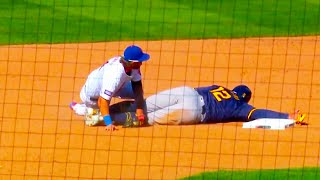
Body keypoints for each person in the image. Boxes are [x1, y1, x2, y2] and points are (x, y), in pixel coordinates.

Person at [105, 84, 307, 127]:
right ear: (245, 98)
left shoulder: (218, 86)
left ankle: (105, 110)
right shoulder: (240, 107)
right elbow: (259, 113)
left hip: (187, 92)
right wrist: (287, 116)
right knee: (147, 119)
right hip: (194, 112)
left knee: (145, 104)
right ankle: (110, 121)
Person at [69, 45, 150, 131]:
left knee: (135, 93)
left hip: (115, 85)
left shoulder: (132, 66)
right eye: (139, 61)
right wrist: (109, 123)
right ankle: (78, 107)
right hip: (92, 96)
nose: (141, 63)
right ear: (132, 62)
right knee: (95, 115)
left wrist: (139, 108)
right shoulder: (115, 75)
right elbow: (102, 100)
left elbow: (137, 87)